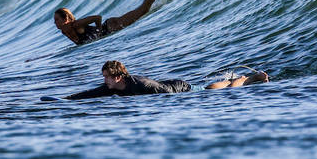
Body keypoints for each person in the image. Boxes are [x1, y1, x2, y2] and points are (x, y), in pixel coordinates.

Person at [54, 0, 180, 45]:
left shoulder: (76, 24)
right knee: (143, 9)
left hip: (112, 26)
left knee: (144, 9)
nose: (55, 23)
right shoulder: (65, 32)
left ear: (66, 19)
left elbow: (97, 17)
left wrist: (98, 31)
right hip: (110, 30)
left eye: (57, 20)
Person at [65, 60, 268, 100]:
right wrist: (67, 99)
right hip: (169, 85)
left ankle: (247, 78)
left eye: (106, 78)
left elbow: (167, 95)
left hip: (179, 88)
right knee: (209, 87)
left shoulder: (141, 85)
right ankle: (237, 78)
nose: (104, 81)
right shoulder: (113, 87)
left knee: (214, 91)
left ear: (117, 77)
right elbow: (91, 93)